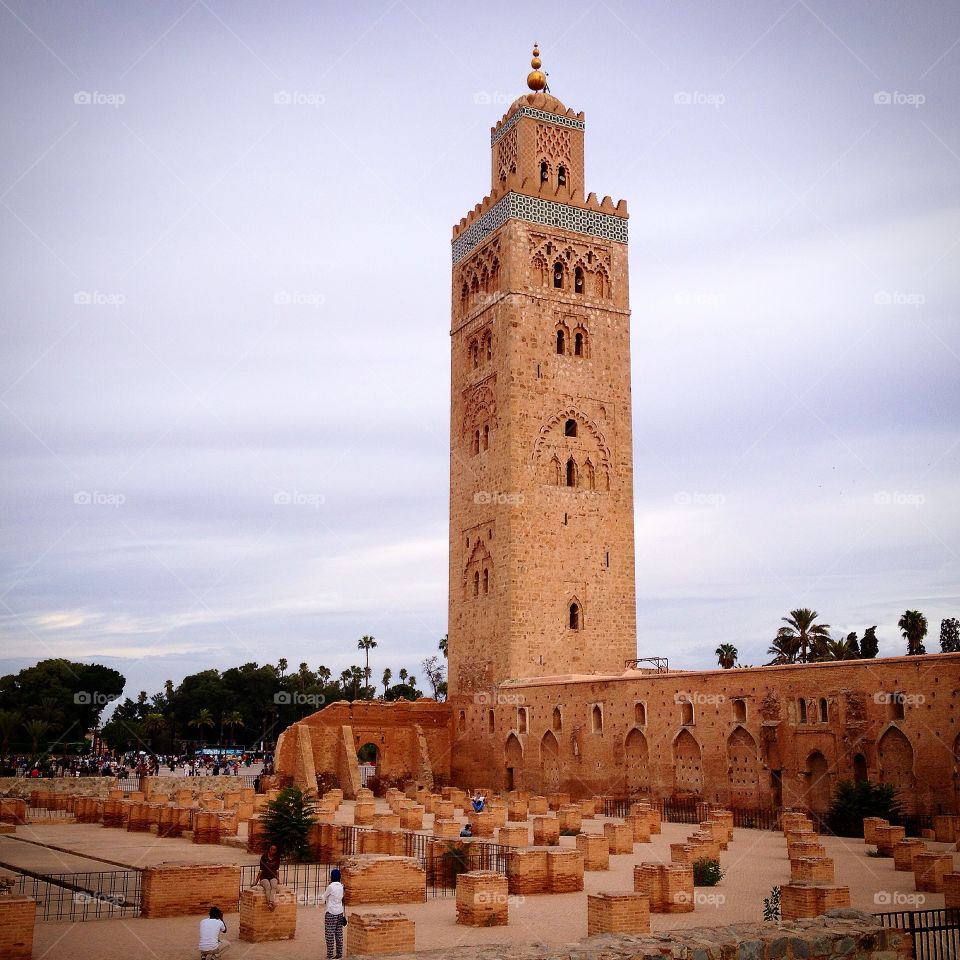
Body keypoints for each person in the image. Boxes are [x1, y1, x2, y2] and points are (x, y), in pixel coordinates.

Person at [320, 868, 345, 960]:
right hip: (339, 912)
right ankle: (339, 954)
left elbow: (323, 897)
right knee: (339, 933)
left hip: (331, 912)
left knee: (329, 934)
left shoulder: (330, 887)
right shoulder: (341, 886)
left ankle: (330, 955)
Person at [253, 843, 281, 910]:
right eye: (271, 849)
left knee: (274, 886)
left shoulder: (277, 858)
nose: (272, 851)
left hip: (273, 876)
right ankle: (270, 903)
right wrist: (256, 882)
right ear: (269, 849)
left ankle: (271, 903)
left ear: (275, 851)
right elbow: (261, 870)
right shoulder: (264, 857)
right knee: (267, 887)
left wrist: (278, 879)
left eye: (274, 850)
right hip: (264, 877)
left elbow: (277, 870)